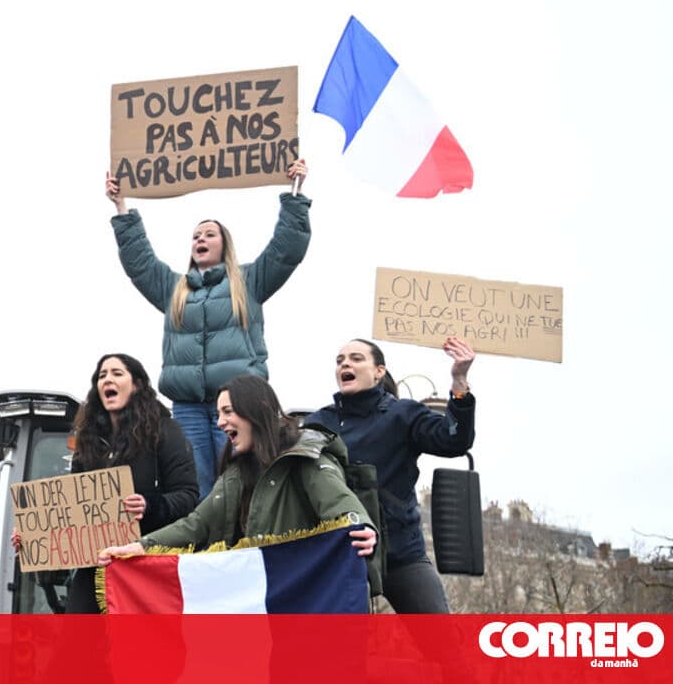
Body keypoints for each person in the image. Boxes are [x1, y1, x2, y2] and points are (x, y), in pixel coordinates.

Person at [106, 161, 311, 500]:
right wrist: (121, 207)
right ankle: (203, 551)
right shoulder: (174, 290)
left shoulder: (248, 282)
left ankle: (244, 547)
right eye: (195, 236)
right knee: (196, 486)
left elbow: (286, 251)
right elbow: (140, 262)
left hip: (238, 402)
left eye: (209, 234)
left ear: (224, 245)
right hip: (187, 406)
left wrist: (295, 193)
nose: (200, 238)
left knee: (243, 477)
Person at [98, 374, 376, 576]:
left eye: (228, 412)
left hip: (300, 600)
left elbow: (344, 508)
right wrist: (140, 546)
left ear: (258, 410)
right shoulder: (235, 474)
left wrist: (363, 529)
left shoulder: (307, 458)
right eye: (218, 413)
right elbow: (196, 524)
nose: (220, 423)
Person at [13, 353, 198, 613]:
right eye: (102, 375)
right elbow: (72, 510)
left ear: (137, 385)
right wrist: (33, 536)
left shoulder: (165, 431)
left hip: (145, 568)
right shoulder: (87, 443)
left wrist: (150, 504)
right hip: (95, 569)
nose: (107, 379)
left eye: (117, 373)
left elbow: (188, 496)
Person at [305, 337, 476, 613]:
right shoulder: (318, 425)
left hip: (401, 554)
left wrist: (459, 381)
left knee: (445, 648)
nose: (345, 364)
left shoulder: (403, 414)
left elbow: (454, 440)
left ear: (379, 371)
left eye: (356, 358)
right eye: (340, 361)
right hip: (339, 556)